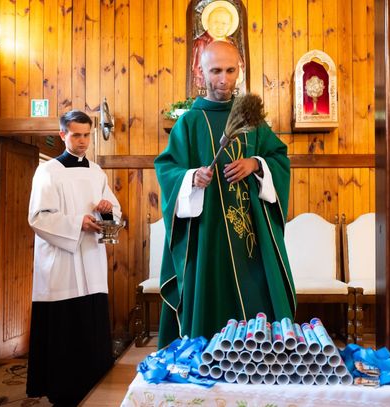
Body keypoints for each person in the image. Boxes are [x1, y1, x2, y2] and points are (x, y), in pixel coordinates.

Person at [155, 41, 296, 348]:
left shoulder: (250, 120)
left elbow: (279, 158)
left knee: (258, 305)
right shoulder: (189, 122)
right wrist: (191, 177)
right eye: (215, 71)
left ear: (239, 70)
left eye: (230, 71)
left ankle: (260, 358)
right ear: (200, 72)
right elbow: (167, 169)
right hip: (207, 237)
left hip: (250, 238)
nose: (223, 79)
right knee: (209, 304)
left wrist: (255, 164)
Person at [26, 110, 121, 406]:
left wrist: (106, 211)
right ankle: (61, 391)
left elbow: (114, 214)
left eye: (87, 135)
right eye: (76, 135)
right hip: (61, 264)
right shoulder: (48, 172)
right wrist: (77, 222)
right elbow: (38, 217)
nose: (82, 141)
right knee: (64, 330)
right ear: (62, 135)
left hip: (91, 260)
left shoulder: (97, 172)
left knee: (91, 325)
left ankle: (95, 385)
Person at [191, 1, 244, 91]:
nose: (220, 26)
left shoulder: (231, 43)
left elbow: (239, 65)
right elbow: (198, 68)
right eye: (216, 22)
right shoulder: (202, 42)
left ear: (230, 25)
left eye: (224, 23)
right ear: (208, 22)